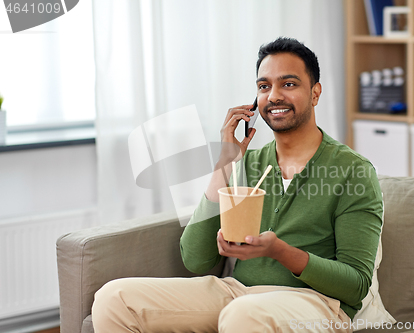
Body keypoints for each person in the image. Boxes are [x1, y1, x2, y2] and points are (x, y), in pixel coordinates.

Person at [92, 37, 383, 333]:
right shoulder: (248, 163)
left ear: (315, 93)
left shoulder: (353, 171)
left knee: (244, 314)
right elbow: (195, 259)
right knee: (114, 299)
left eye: (289, 84)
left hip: (317, 303)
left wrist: (279, 251)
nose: (274, 96)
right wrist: (225, 163)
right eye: (264, 86)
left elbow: (355, 284)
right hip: (237, 292)